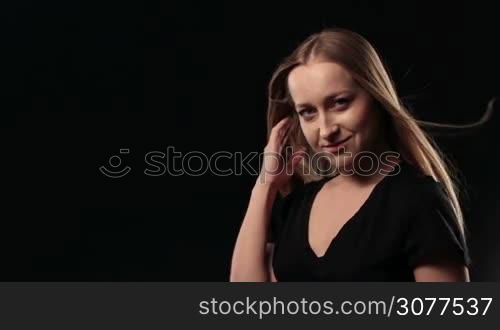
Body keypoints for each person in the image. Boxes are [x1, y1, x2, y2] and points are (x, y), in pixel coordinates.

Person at [230, 28, 473, 282]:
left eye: (340, 102)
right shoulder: (296, 206)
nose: (326, 130)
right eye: (308, 112)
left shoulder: (418, 201)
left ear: (376, 97)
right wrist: (265, 186)